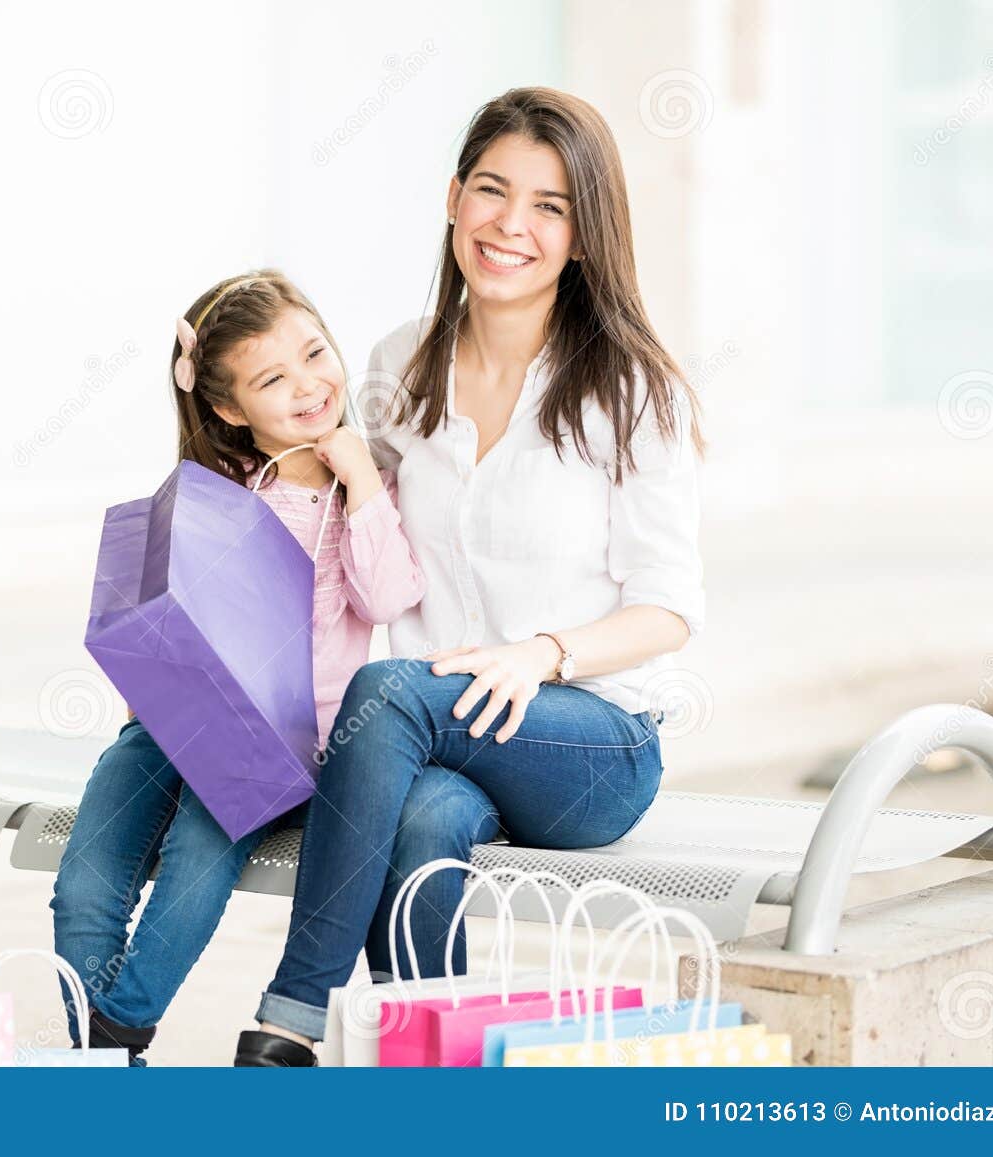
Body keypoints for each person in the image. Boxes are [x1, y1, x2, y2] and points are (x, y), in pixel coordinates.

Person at [236, 86, 707, 1067]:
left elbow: (669, 608)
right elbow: (354, 548)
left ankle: (289, 1016)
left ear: (582, 236)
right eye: (491, 191)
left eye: (548, 206)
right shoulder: (396, 364)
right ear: (453, 198)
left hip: (590, 739)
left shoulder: (630, 388)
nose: (510, 225)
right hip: (443, 740)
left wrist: (542, 654)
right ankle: (430, 1076)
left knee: (391, 692)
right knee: (423, 820)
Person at [52, 270, 497, 1065]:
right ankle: (98, 1061)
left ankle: (119, 1028)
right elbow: (165, 617)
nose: (307, 386)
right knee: (86, 871)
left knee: (200, 845)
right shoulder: (213, 490)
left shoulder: (370, 491)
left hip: (286, 745)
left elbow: (393, 593)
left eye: (315, 355)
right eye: (271, 378)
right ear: (227, 407)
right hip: (170, 725)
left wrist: (360, 479)